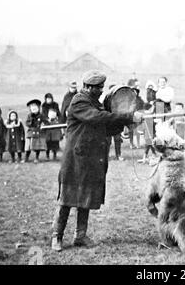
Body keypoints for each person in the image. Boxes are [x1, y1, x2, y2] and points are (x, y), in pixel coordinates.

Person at [52, 70, 144, 251]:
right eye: (98, 88)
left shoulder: (95, 103)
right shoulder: (79, 101)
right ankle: (57, 236)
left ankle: (80, 236)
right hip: (76, 159)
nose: (101, 91)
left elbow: (105, 127)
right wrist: (128, 117)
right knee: (67, 199)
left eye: (102, 87)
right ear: (87, 87)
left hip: (92, 159)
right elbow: (97, 118)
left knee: (85, 196)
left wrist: (124, 124)